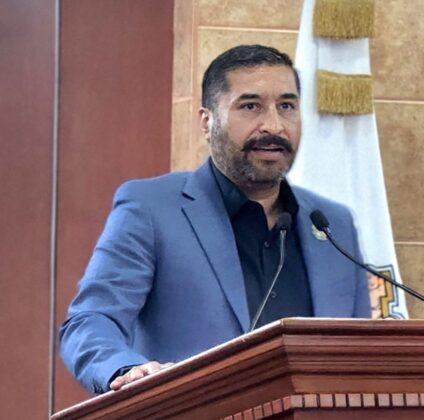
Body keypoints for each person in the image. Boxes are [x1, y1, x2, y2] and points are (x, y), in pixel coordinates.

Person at [59, 45, 370, 395]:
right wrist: (125, 369)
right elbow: (90, 321)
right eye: (250, 106)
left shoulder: (333, 225)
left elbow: (359, 356)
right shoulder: (151, 209)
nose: (274, 125)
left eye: (287, 106)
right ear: (207, 122)